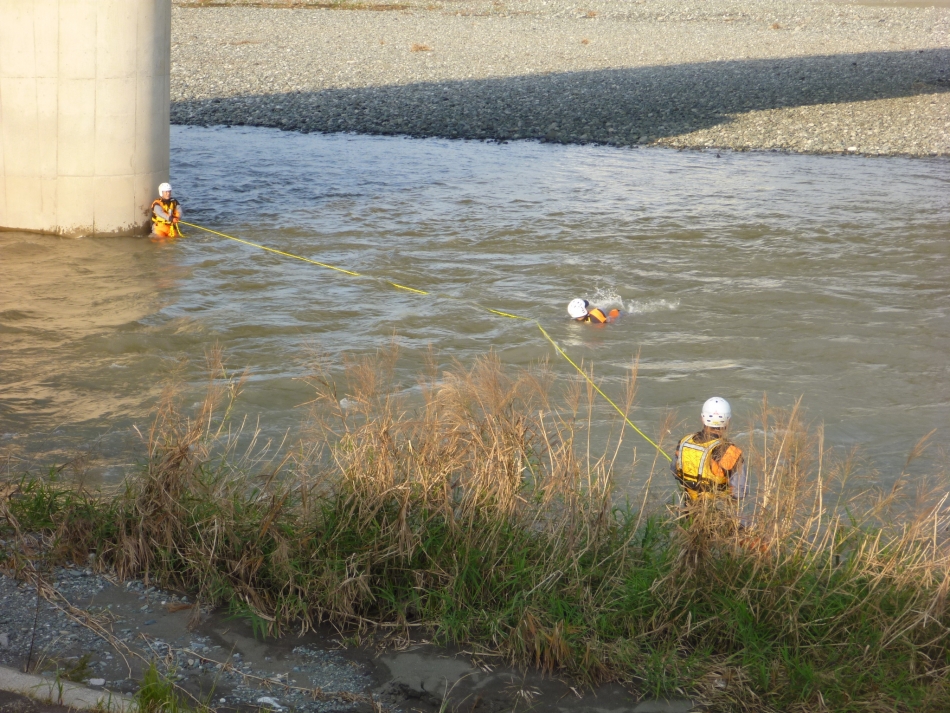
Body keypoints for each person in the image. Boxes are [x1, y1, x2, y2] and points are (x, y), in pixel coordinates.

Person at [671, 397, 745, 504]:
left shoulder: (684, 442)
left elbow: (675, 471)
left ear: (702, 418)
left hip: (690, 508)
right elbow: (740, 492)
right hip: (718, 512)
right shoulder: (730, 451)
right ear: (728, 421)